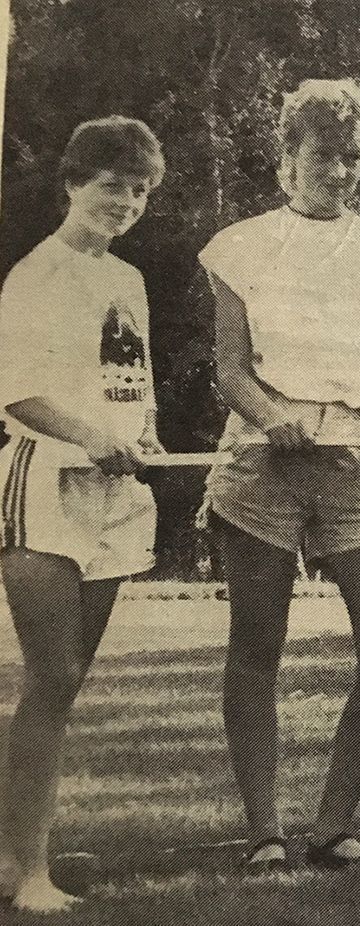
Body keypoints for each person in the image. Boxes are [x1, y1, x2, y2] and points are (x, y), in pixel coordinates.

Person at [200, 79, 360, 872]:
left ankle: (334, 824)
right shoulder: (239, 244)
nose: (339, 172)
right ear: (289, 158)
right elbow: (230, 368)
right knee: (255, 646)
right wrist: (271, 418)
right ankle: (264, 830)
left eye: (353, 158)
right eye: (324, 155)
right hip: (263, 463)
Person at [0, 116, 165, 912]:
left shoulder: (127, 281)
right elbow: (17, 392)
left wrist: (147, 439)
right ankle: (28, 874)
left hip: (114, 493)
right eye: (111, 185)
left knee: (67, 684)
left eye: (139, 189)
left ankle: (22, 854)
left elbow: (133, 382)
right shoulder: (36, 274)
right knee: (52, 674)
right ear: (71, 183)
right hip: (41, 484)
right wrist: (91, 436)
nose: (125, 201)